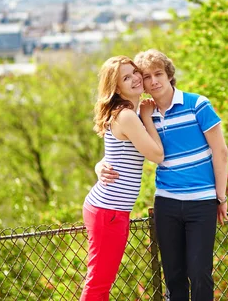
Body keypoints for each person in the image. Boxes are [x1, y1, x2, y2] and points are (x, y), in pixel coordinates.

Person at [96, 49, 228, 301]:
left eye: (158, 74)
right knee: (173, 276)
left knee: (200, 273)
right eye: (146, 76)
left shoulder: (197, 104)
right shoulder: (143, 115)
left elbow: (220, 152)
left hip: (201, 202)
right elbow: (120, 147)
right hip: (166, 204)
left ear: (169, 75)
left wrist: (220, 197)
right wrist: (99, 166)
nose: (153, 81)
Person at [81, 56, 165, 301]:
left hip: (110, 210)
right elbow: (157, 155)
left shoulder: (126, 113)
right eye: (126, 78)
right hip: (109, 211)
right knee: (99, 284)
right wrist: (148, 117)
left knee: (101, 281)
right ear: (116, 88)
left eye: (134, 72)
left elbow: (112, 156)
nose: (136, 79)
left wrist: (99, 166)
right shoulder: (128, 115)